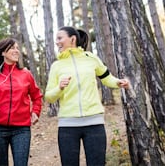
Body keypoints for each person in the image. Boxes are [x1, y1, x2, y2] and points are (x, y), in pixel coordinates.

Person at [44, 26, 129, 166]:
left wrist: (118, 82)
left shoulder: (91, 58)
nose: (57, 42)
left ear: (72, 39)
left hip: (94, 123)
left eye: (60, 38)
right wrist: (59, 87)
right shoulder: (57, 66)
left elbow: (106, 77)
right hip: (68, 125)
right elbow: (49, 97)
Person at [0, 38, 43, 166]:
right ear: (2, 52)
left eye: (17, 48)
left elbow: (37, 97)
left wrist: (36, 111)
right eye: (12, 48)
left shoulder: (26, 74)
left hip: (21, 129)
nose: (16, 51)